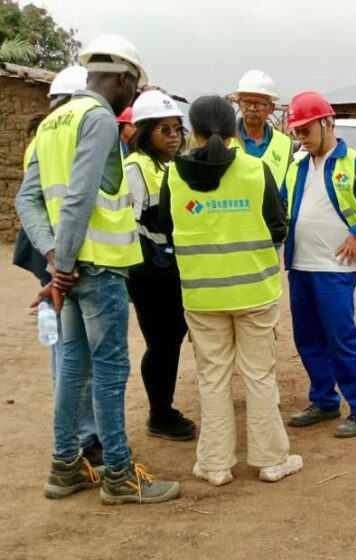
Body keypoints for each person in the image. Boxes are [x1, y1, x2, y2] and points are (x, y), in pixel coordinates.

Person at [15, 33, 181, 505]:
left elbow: (26, 201)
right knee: (109, 371)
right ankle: (120, 477)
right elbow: (80, 197)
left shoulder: (51, 124)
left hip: (68, 268)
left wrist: (52, 260)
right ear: (125, 78)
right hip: (100, 268)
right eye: (134, 87)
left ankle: (65, 466)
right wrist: (62, 265)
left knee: (72, 367)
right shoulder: (99, 120)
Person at [160, 95, 302, 486]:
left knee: (213, 377)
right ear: (233, 126)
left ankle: (214, 463)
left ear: (193, 131)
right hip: (254, 291)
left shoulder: (172, 175)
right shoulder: (256, 171)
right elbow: (278, 225)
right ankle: (272, 460)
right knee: (259, 375)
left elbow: (168, 227)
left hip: (202, 295)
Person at [283, 91, 356, 438]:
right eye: (296, 132)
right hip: (300, 266)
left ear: (327, 122)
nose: (301, 137)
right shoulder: (297, 167)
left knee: (341, 338)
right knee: (307, 337)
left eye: (306, 129)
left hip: (336, 268)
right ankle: (324, 400)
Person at [13, 66, 102, 465]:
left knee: (64, 347)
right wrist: (59, 259)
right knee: (69, 352)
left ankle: (78, 431)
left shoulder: (46, 136)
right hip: (60, 257)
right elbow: (55, 201)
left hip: (52, 255)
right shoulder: (58, 137)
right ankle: (81, 438)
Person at [124, 90, 195, 441]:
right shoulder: (135, 167)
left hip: (171, 268)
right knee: (161, 342)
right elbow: (134, 222)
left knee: (173, 337)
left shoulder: (172, 167)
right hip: (148, 272)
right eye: (163, 129)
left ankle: (163, 408)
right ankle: (159, 413)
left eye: (176, 128)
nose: (172, 135)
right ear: (145, 131)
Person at [230, 70, 292, 188]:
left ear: (271, 108)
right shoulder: (224, 139)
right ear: (238, 103)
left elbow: (290, 186)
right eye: (247, 102)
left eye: (259, 103)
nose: (252, 108)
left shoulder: (284, 144)